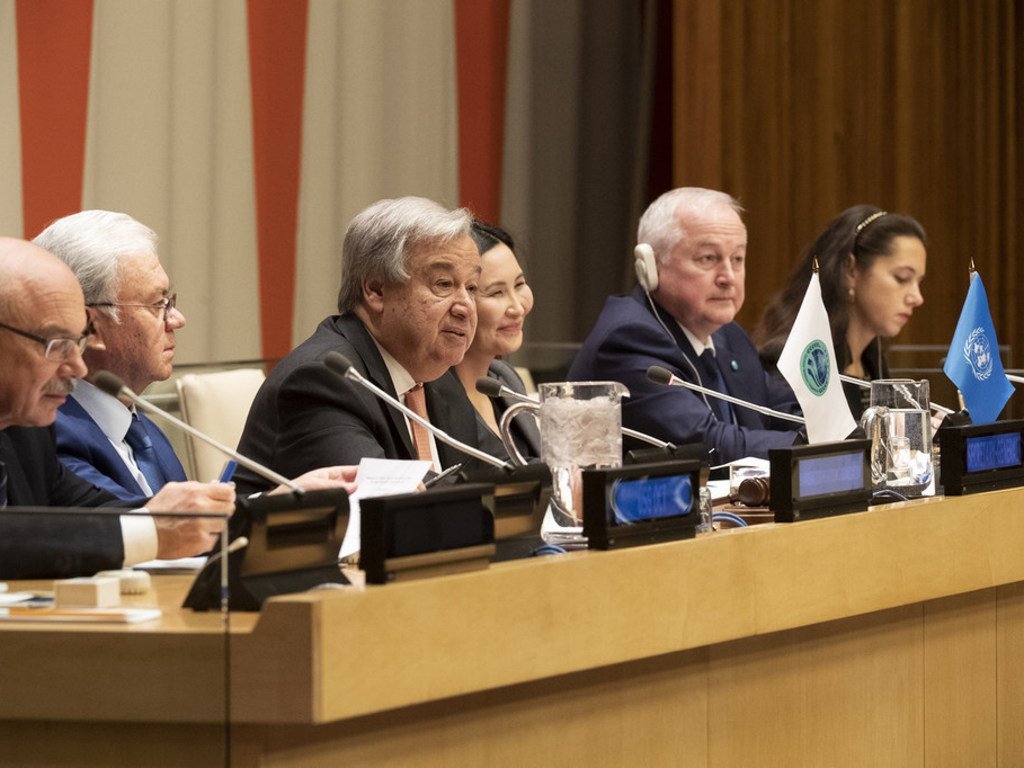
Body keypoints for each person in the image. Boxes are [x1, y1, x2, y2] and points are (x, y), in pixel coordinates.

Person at [0, 237, 233, 578]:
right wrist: (149, 532)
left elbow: (87, 513)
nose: (77, 368)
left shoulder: (25, 429)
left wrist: (243, 513)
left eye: (76, 342)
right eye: (56, 345)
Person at [235, 196, 487, 493]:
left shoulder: (437, 376)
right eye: (443, 284)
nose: (466, 307)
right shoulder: (322, 380)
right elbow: (382, 500)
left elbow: (505, 473)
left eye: (471, 287)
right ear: (376, 291)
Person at [568, 187, 802, 463]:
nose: (728, 277)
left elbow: (785, 411)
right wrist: (814, 446)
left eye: (737, 259)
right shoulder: (627, 339)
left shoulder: (729, 336)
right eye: (708, 258)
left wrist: (831, 434)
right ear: (650, 266)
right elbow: (708, 445)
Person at [33, 211, 189, 501]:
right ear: (90, 328)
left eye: (171, 301)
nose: (177, 319)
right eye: (158, 304)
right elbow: (136, 531)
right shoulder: (51, 436)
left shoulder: (144, 430)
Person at [756, 205, 927, 418]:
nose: (917, 298)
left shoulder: (873, 361)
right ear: (850, 270)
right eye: (902, 278)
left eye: (919, 282)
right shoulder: (800, 360)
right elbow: (808, 444)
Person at [453, 220, 540, 460]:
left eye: (520, 284)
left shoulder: (505, 379)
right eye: (496, 293)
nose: (517, 308)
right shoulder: (429, 396)